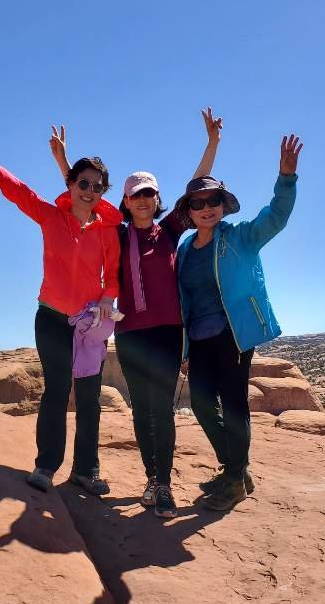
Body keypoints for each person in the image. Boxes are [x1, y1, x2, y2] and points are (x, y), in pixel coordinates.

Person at [49, 109, 222, 518]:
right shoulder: (117, 232)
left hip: (166, 332)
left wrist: (212, 144)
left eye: (149, 194)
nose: (143, 200)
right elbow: (83, 196)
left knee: (161, 408)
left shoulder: (171, 229)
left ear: (157, 200)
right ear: (126, 202)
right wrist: (63, 161)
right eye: (135, 195)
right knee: (143, 410)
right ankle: (152, 479)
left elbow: (196, 188)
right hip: (130, 335)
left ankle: (163, 485)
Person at [0, 123, 122, 496]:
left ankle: (86, 470)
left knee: (88, 397)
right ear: (71, 184)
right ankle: (46, 465)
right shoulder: (50, 216)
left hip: (88, 324)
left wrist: (108, 297)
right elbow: (13, 188)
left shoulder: (107, 230)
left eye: (97, 187)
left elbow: (114, 273)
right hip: (52, 318)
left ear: (103, 192)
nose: (89, 191)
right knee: (56, 390)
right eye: (83, 183)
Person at [173, 134, 303, 511]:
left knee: (233, 404)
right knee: (201, 404)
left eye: (213, 200)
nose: (206, 208)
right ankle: (236, 469)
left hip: (234, 333)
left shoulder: (241, 237)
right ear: (189, 210)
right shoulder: (185, 249)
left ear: (222, 205)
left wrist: (286, 179)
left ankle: (233, 480)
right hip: (200, 339)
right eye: (198, 203)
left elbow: (276, 216)